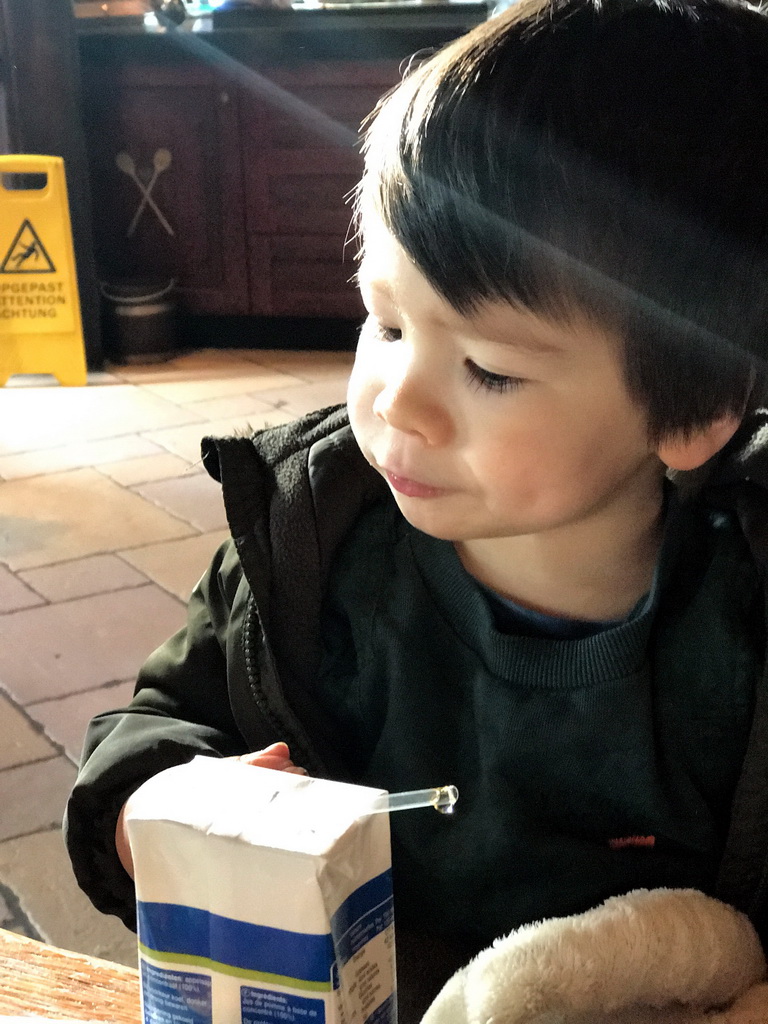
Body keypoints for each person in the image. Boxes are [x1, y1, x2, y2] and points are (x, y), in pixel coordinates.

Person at [65, 0, 768, 1018]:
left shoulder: (740, 610)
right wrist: (153, 803)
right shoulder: (313, 544)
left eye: (488, 368)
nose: (397, 400)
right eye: (385, 322)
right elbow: (156, 724)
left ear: (694, 405)